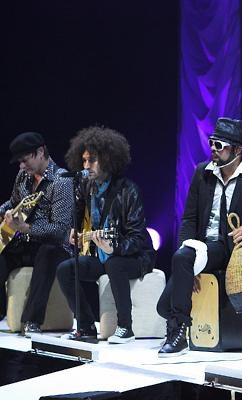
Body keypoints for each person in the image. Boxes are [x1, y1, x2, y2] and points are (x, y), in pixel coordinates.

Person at [156, 117, 242, 357]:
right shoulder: (203, 173)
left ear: (238, 150)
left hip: (231, 251)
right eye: (212, 143)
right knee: (162, 307)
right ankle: (184, 326)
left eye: (219, 145)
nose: (213, 148)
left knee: (184, 261)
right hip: (203, 247)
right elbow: (189, 219)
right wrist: (189, 261)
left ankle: (178, 333)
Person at [56, 126, 156, 343]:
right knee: (65, 269)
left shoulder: (128, 190)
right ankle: (86, 327)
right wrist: (73, 231)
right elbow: (76, 215)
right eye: (84, 160)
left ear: (107, 159)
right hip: (101, 256)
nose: (86, 166)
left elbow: (138, 238)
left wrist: (114, 248)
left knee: (114, 263)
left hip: (135, 257)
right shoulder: (86, 186)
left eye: (92, 160)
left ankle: (125, 327)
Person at [0, 132, 72, 336]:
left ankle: (32, 320)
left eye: (25, 160)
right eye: (19, 162)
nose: (21, 166)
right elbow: (13, 202)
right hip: (24, 243)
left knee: (47, 253)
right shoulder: (24, 176)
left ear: (40, 152)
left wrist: (26, 228)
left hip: (52, 247)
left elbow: (60, 230)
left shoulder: (61, 181)